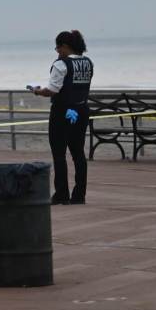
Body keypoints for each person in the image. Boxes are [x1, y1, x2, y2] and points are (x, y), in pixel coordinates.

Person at [32, 30, 93, 205]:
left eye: (58, 48)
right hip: (81, 110)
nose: (57, 51)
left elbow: (52, 90)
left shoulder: (61, 64)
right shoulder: (88, 63)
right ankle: (79, 194)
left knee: (59, 153)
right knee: (78, 153)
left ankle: (62, 193)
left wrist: (37, 91)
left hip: (62, 111)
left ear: (65, 46)